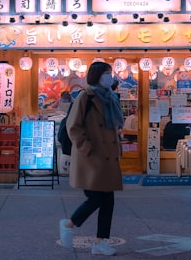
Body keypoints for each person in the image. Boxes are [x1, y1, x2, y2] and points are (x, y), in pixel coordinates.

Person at [59, 62, 124, 256]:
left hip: (108, 159)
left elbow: (112, 127)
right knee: (95, 198)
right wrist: (87, 148)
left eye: (110, 73)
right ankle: (69, 224)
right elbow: (73, 127)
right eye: (106, 73)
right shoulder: (85, 97)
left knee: (108, 201)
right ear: (96, 76)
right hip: (91, 158)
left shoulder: (111, 98)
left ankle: (100, 242)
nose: (109, 76)